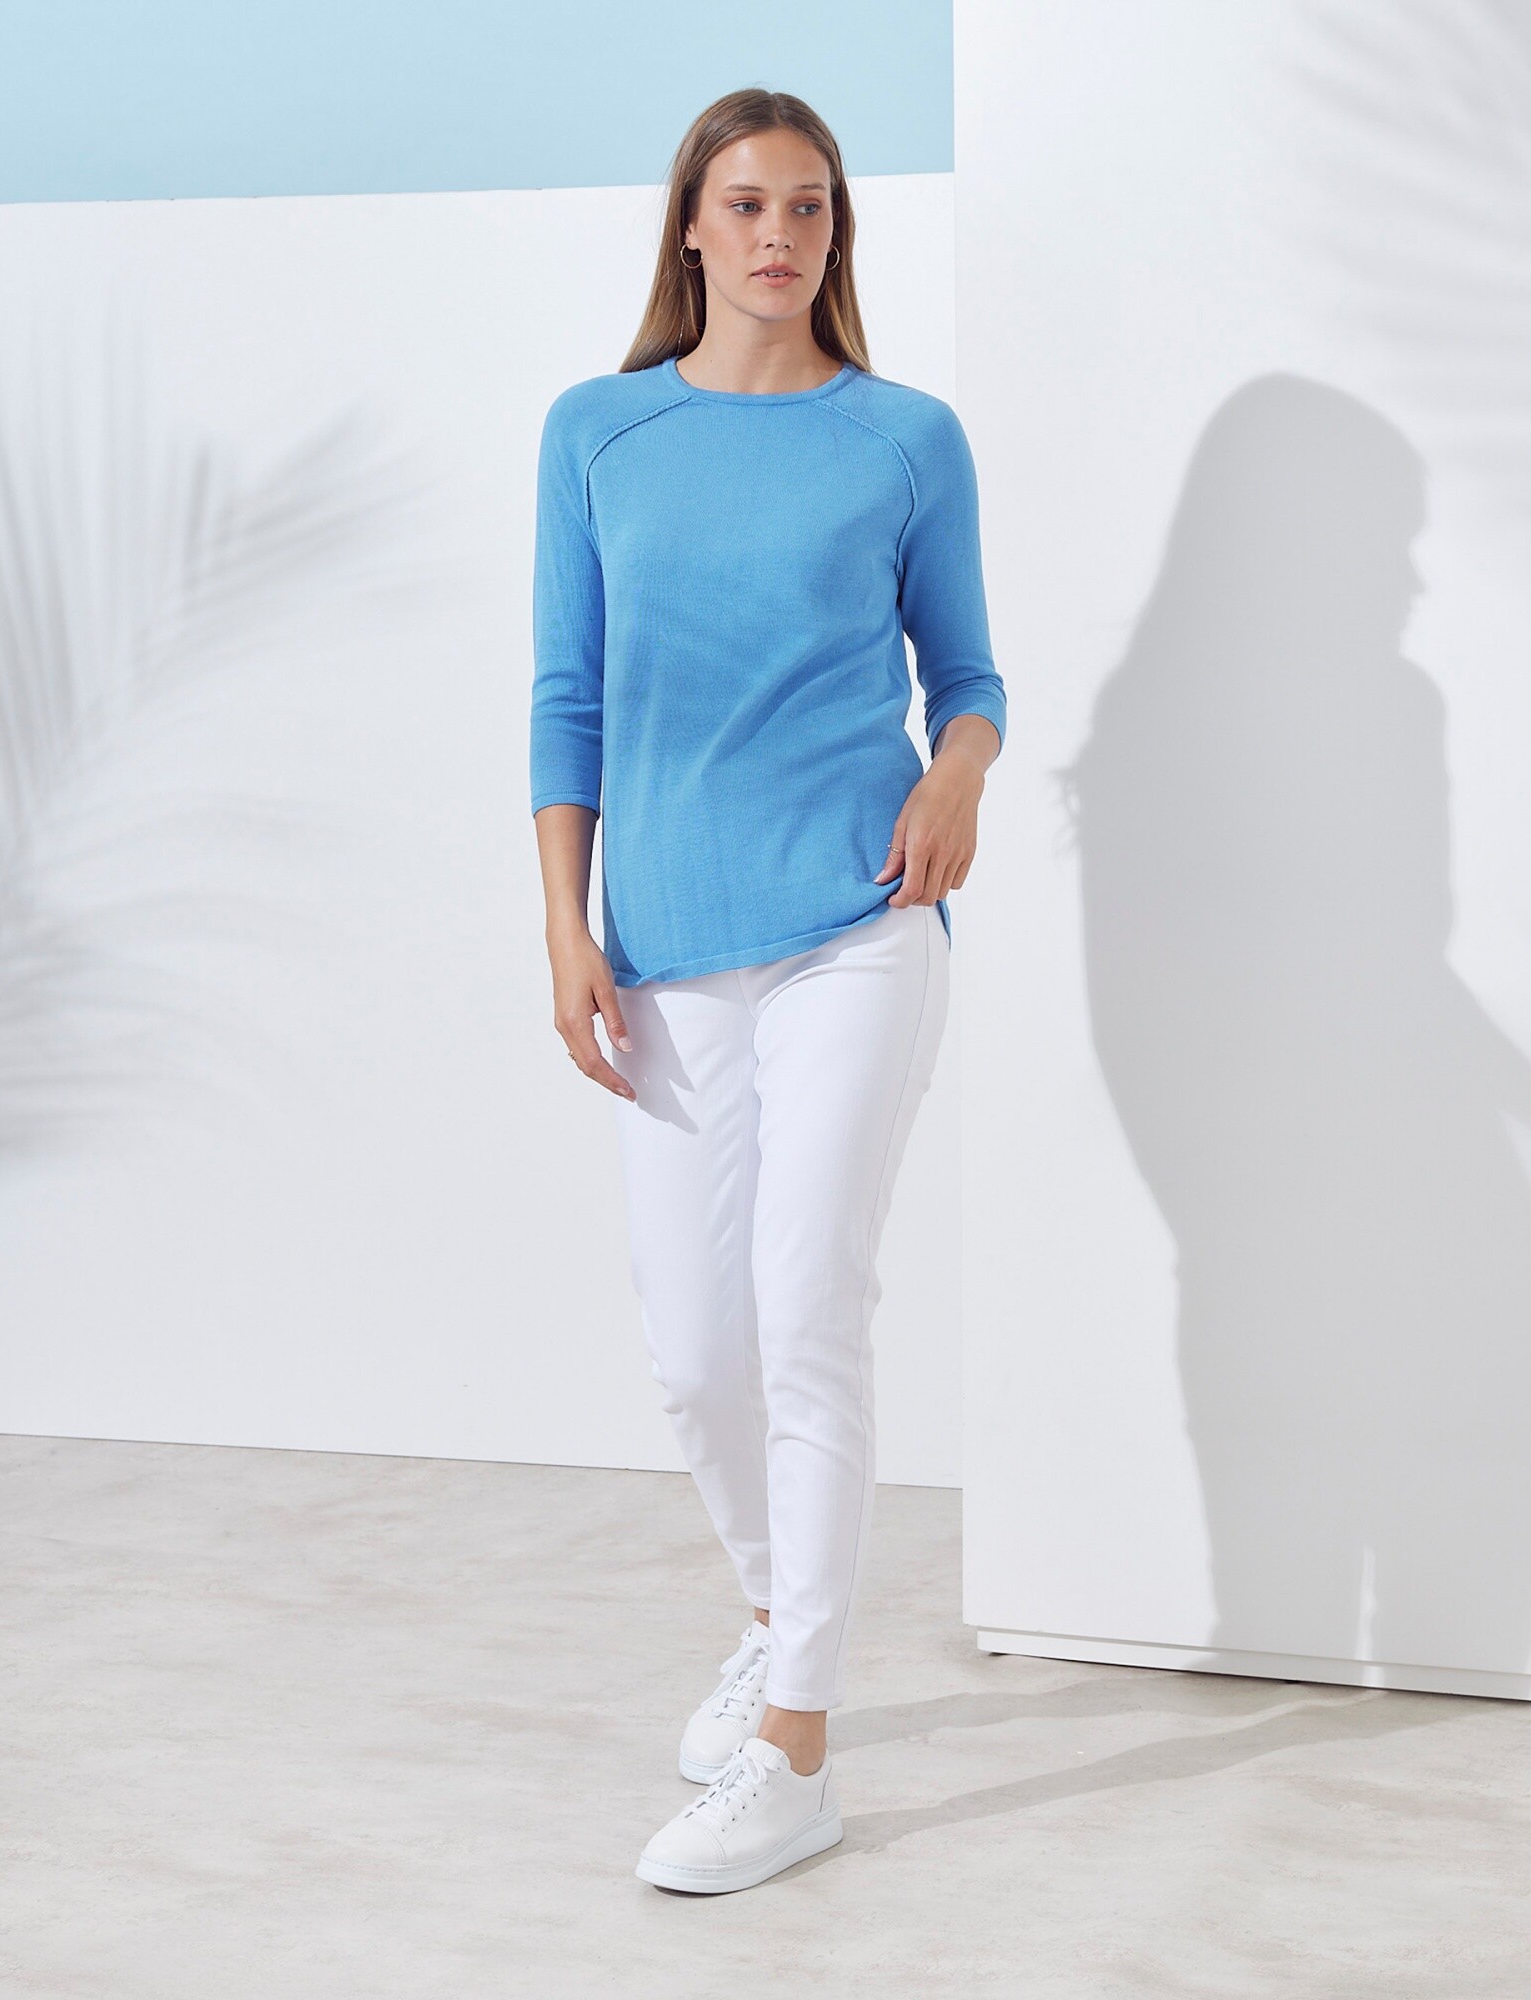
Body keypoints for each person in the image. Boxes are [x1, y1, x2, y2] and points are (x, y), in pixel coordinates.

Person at [529, 87, 1005, 1895]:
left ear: (835, 234)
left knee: (806, 1302)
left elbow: (967, 673)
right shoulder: (599, 432)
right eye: (745, 204)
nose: (779, 235)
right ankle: (767, 1616)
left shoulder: (903, 438)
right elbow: (565, 695)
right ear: (689, 227)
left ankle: (796, 1748)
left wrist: (957, 772)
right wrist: (565, 925)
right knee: (691, 1349)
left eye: (809, 206)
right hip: (664, 943)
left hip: (853, 925)